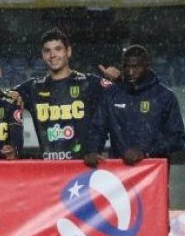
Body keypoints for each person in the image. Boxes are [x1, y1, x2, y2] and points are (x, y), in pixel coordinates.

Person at [13, 28, 113, 161]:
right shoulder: (33, 88)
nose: (52, 55)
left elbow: (123, 98)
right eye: (47, 51)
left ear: (68, 51)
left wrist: (119, 80)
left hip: (84, 166)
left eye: (58, 49)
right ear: (43, 55)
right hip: (50, 168)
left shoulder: (90, 83)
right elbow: (0, 97)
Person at [83, 45, 185, 168]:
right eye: (127, 66)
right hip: (120, 172)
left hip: (153, 171)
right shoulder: (111, 95)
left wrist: (146, 153)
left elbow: (177, 138)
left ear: (147, 65)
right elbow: (97, 128)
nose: (131, 72)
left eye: (136, 67)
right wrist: (92, 150)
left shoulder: (164, 97)